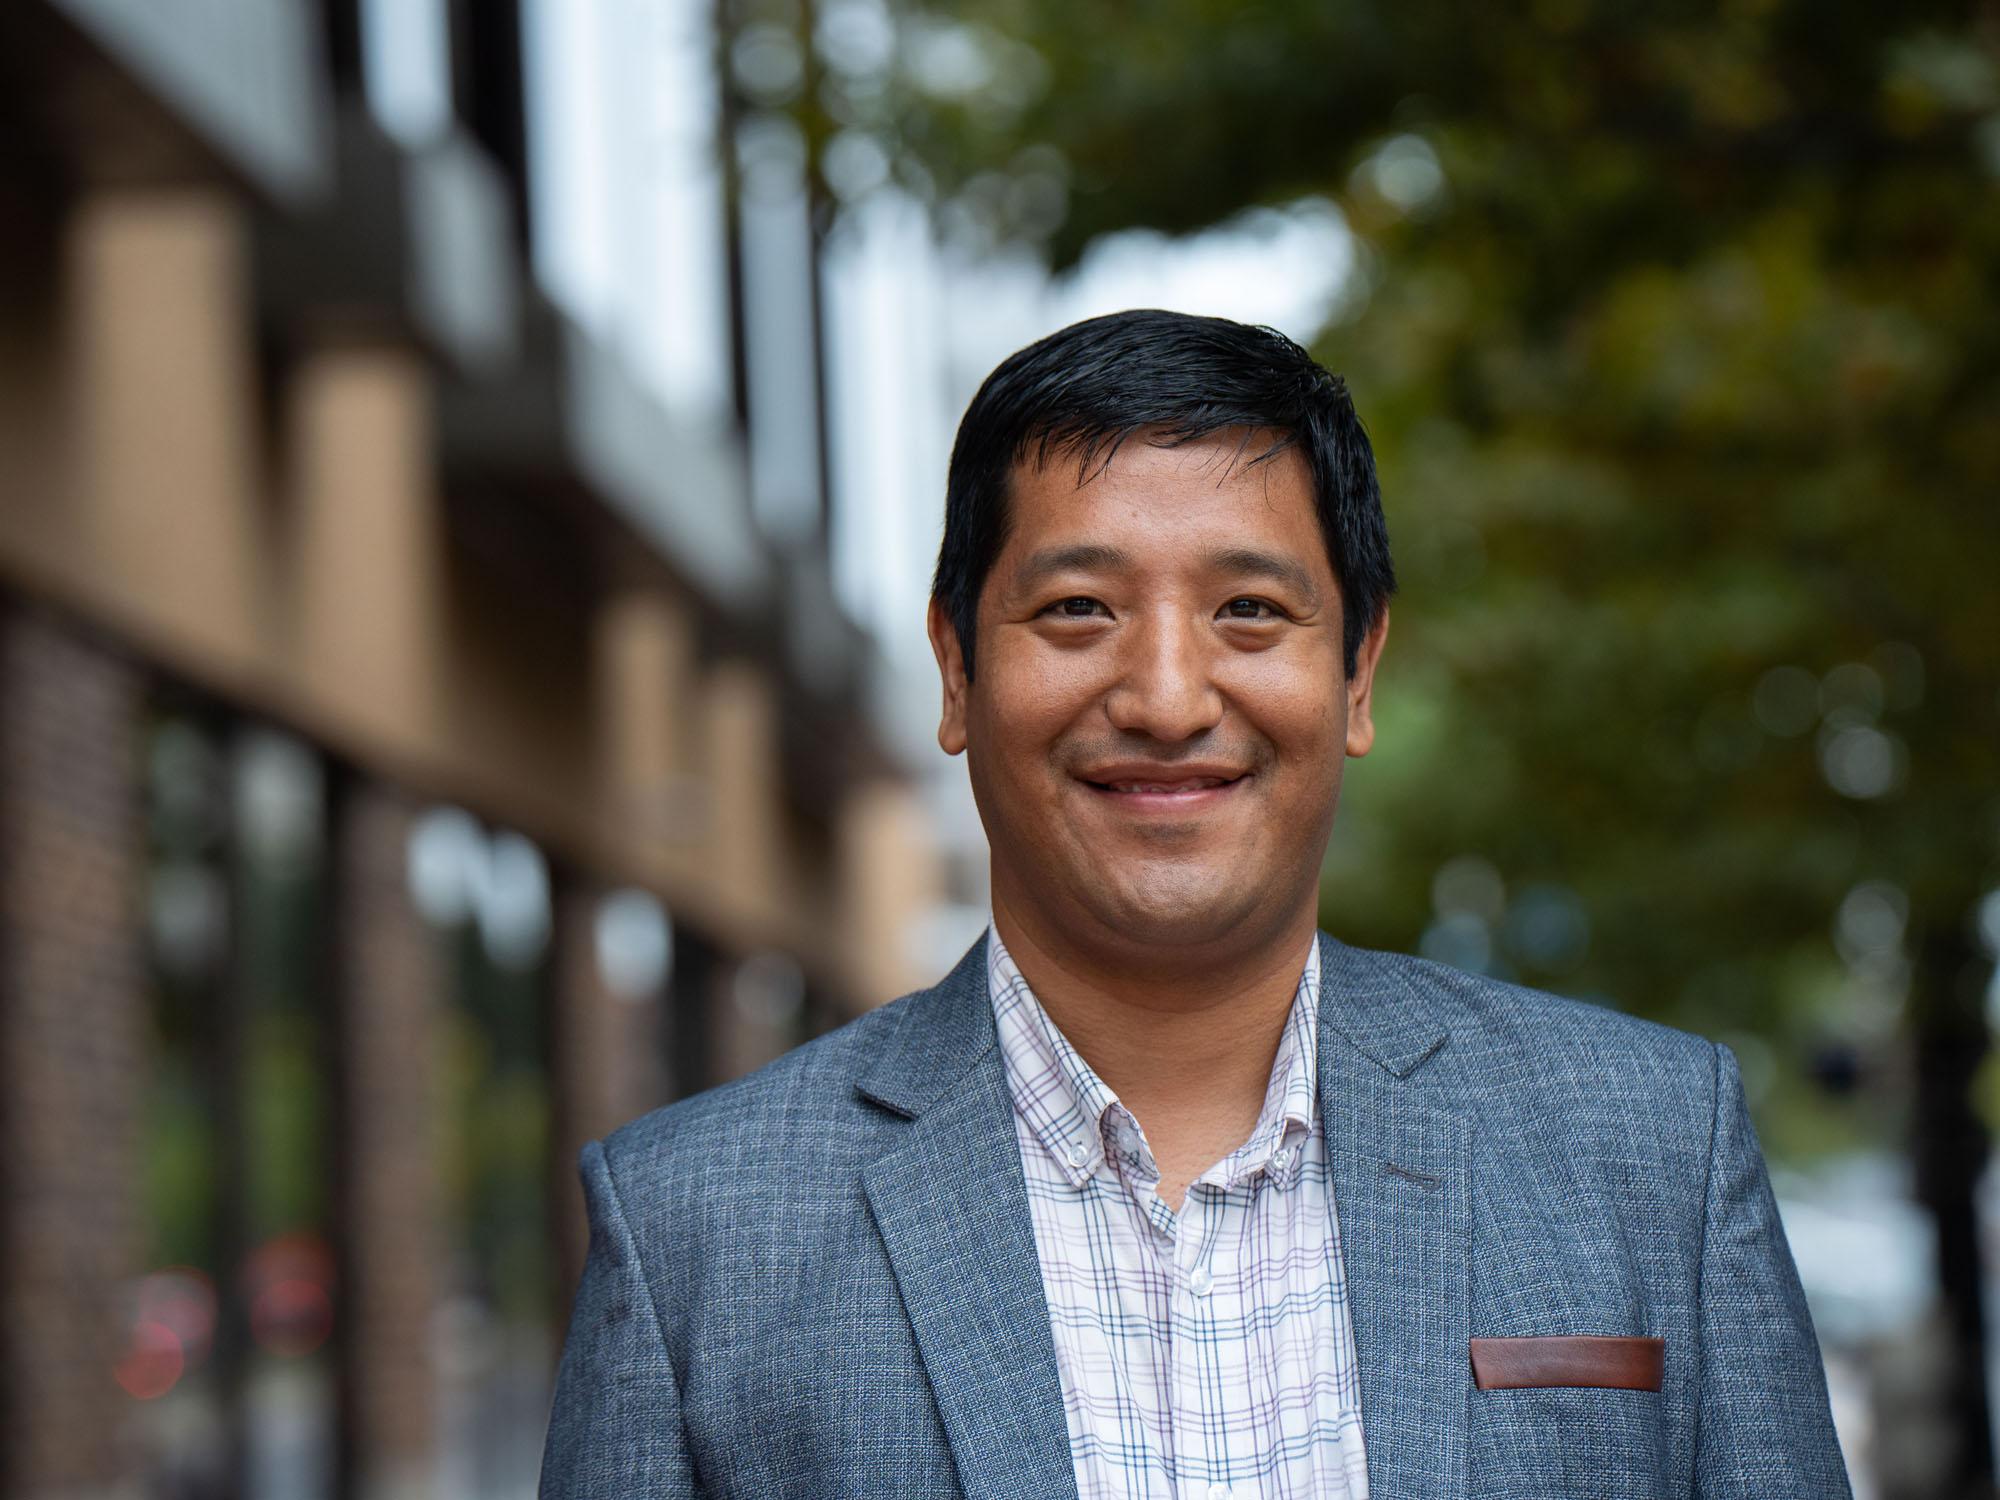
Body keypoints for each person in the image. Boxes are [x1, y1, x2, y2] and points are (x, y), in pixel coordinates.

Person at [539, 309, 1849, 1499]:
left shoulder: (1653, 1153)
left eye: (1248, 610)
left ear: (1357, 673)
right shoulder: (697, 1230)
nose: (1166, 699)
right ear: (954, 670)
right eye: (1077, 608)